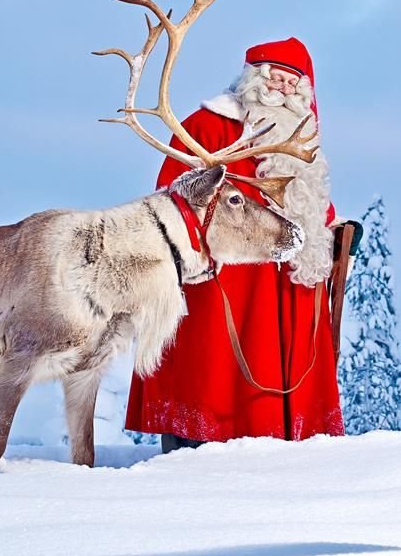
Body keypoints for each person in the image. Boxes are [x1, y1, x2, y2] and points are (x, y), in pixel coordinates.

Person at [125, 37, 345, 451]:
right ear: (252, 78)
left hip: (291, 273)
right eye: (274, 79)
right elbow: (173, 193)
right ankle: (201, 443)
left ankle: (287, 443)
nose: (281, 90)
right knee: (213, 366)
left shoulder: (302, 137)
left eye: (291, 84)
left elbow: (310, 197)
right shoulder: (209, 126)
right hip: (232, 274)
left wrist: (332, 227)